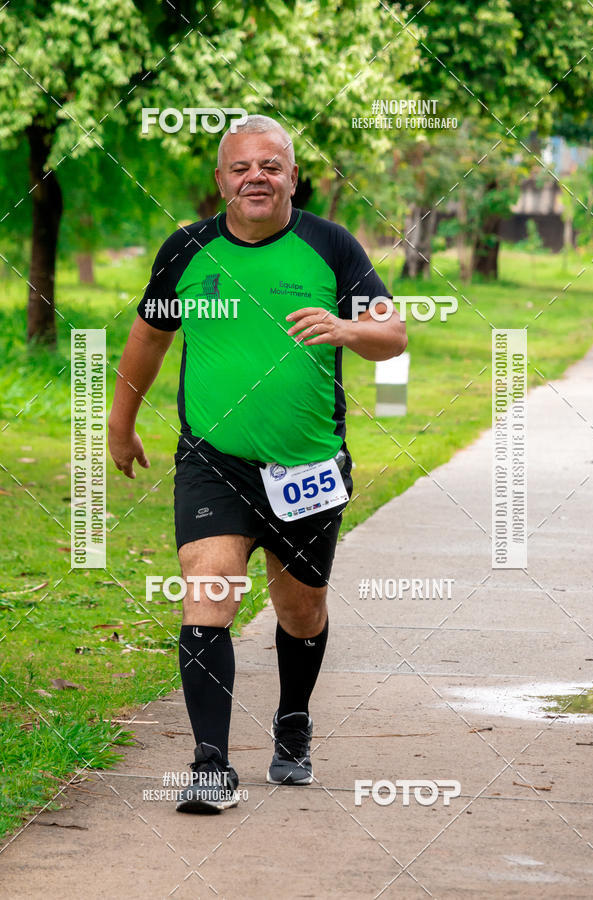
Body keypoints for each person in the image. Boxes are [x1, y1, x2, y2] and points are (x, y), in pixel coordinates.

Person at [108, 114, 407, 814]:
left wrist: (348, 328)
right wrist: (119, 425)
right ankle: (211, 764)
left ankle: (293, 720)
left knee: (300, 611)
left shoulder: (330, 245)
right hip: (214, 459)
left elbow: (393, 335)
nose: (256, 177)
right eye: (241, 167)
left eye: (271, 166)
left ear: (293, 177)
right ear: (221, 180)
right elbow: (148, 338)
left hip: (307, 468)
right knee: (207, 590)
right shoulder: (186, 250)